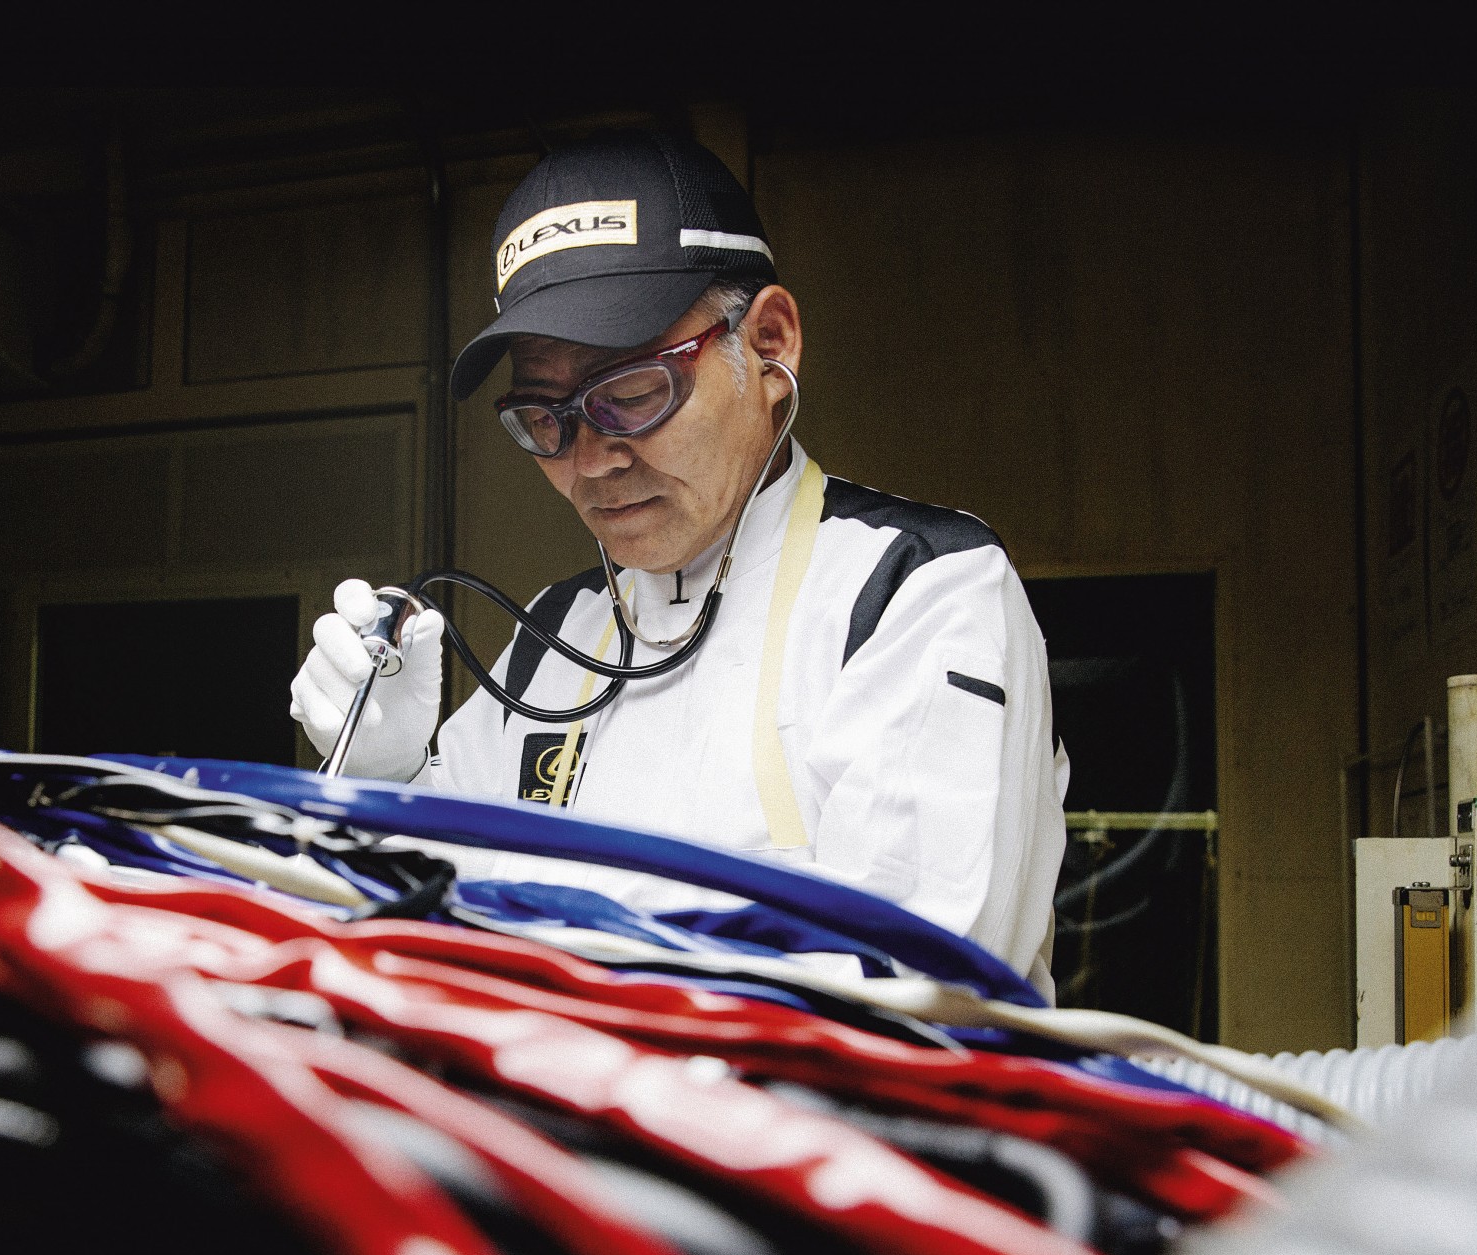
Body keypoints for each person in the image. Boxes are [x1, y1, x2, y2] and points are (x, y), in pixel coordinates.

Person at [290, 130, 1068, 996]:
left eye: (631, 394)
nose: (591, 462)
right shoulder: (553, 634)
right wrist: (389, 781)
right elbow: (415, 940)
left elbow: (913, 995)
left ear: (769, 343)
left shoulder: (916, 592)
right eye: (546, 419)